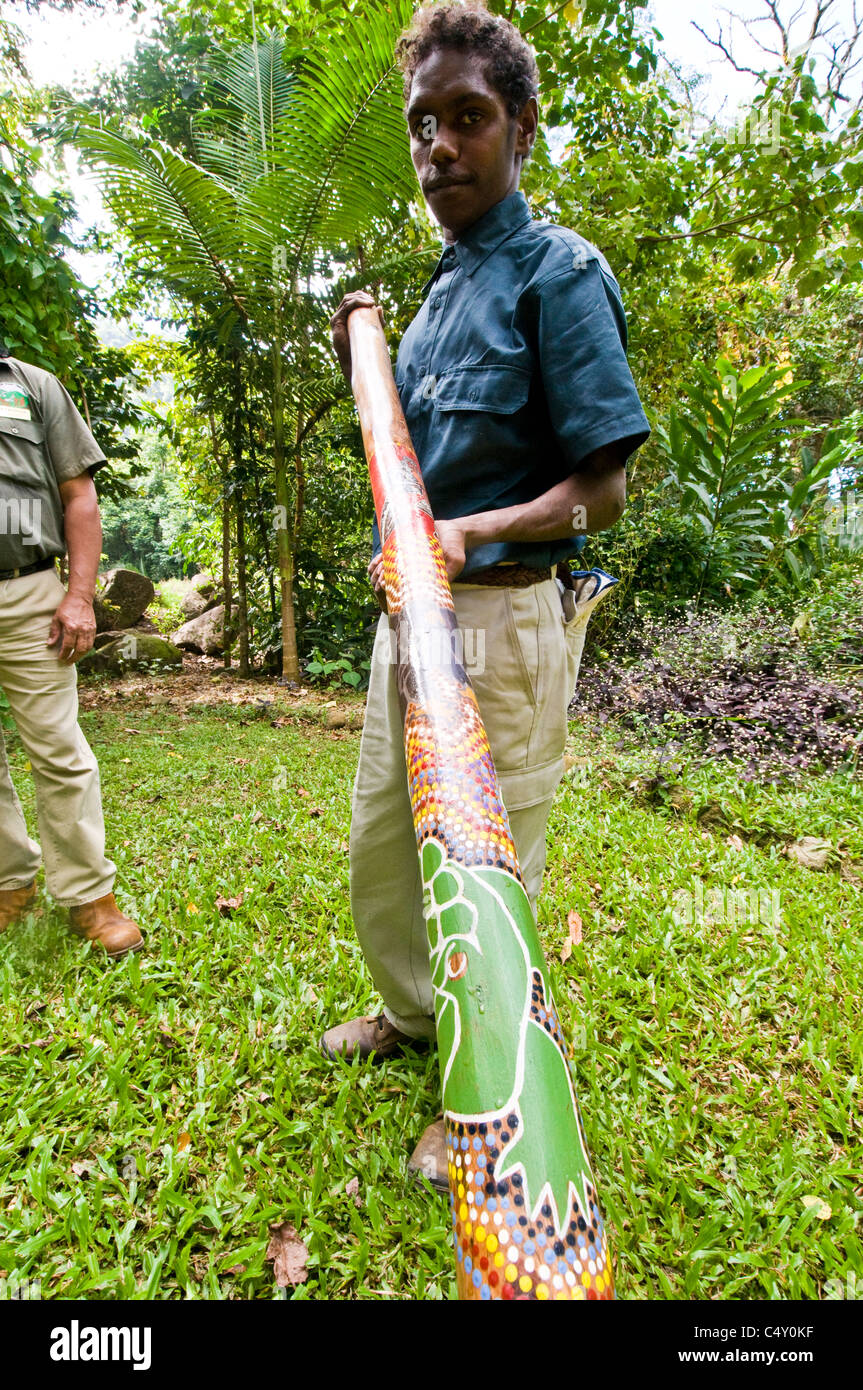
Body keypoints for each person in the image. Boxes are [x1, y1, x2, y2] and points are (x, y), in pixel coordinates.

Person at [325, 0, 648, 1183]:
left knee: (482, 872)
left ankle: (482, 1098)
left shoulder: (555, 274)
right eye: (424, 125)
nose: (439, 148)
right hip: (408, 619)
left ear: (517, 128)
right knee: (384, 848)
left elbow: (599, 490)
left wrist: (470, 533)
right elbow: (410, 463)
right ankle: (414, 1020)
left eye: (468, 120)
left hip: (502, 618)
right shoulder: (436, 295)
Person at [0, 345, 143, 957]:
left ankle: (89, 896)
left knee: (59, 749)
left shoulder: (32, 385)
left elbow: (78, 495)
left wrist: (79, 596)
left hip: (27, 591)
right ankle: (10, 880)